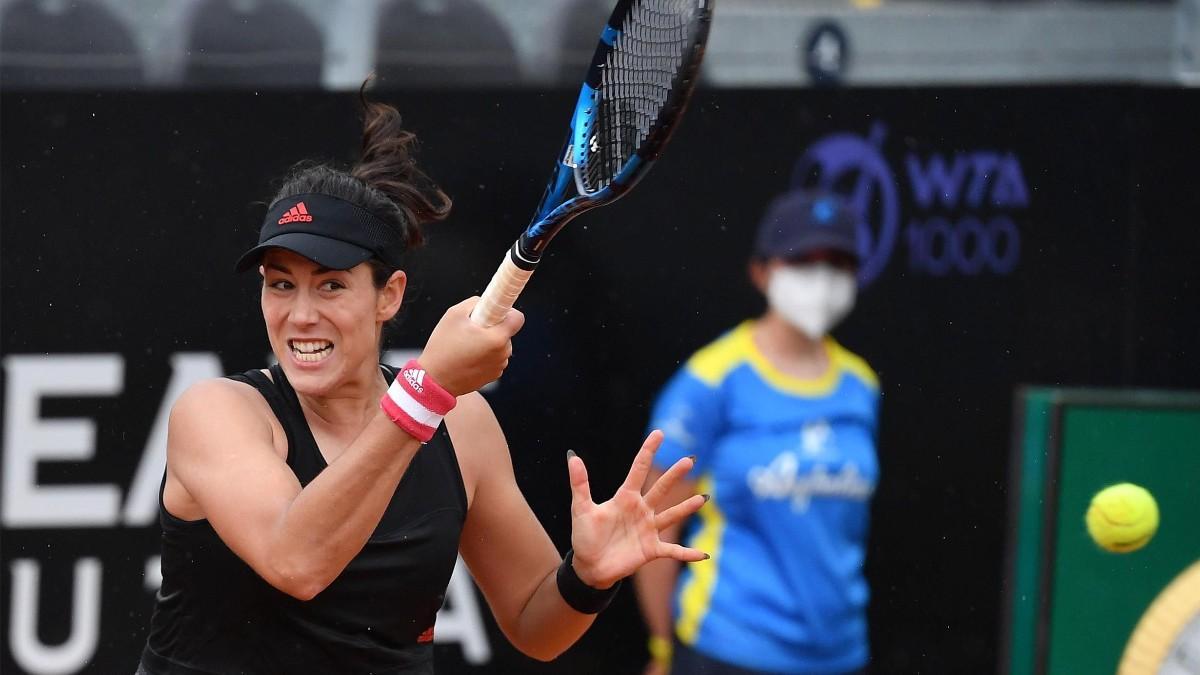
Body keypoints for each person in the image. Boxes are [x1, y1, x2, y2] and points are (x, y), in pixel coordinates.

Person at [136, 92, 710, 675]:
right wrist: (424, 392)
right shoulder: (217, 413)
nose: (300, 314)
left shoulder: (463, 428)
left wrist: (584, 579)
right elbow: (297, 563)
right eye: (280, 285)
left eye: (330, 285)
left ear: (389, 295)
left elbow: (537, 626)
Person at [634, 189, 880, 675]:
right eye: (802, 260)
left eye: (837, 261)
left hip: (842, 655)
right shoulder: (710, 382)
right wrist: (664, 648)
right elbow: (653, 532)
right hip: (727, 650)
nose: (821, 277)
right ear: (762, 271)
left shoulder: (861, 385)